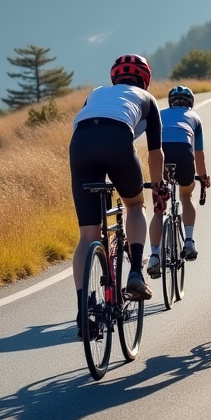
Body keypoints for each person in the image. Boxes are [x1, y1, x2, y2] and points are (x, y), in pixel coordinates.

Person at [69, 53, 167, 301]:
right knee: (134, 205)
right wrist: (158, 187)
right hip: (117, 139)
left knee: (88, 235)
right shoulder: (147, 98)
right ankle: (135, 273)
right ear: (145, 80)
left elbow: (83, 123)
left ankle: (83, 310)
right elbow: (155, 154)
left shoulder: (96, 92)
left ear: (114, 78)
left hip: (80, 143)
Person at [147, 85, 210, 277]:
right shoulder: (194, 117)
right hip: (183, 152)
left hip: (161, 153)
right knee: (186, 195)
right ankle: (189, 241)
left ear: (170, 102)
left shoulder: (160, 113)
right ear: (190, 103)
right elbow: (199, 155)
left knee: (159, 208)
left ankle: (154, 255)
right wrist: (203, 177)